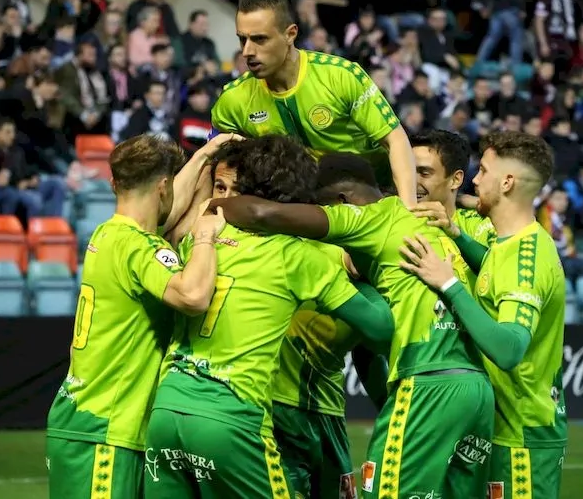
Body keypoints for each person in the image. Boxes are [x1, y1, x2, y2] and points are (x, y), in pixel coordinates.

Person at [208, 153, 495, 499]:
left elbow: (372, 345)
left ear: (341, 203)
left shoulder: (366, 231)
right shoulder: (429, 234)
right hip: (473, 389)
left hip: (382, 392)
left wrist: (209, 208)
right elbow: (372, 343)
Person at [143, 136, 395, 499]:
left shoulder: (200, 237)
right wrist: (374, 279)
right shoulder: (299, 255)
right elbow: (381, 328)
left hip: (167, 409)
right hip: (233, 415)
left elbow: (167, 226)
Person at [46, 133, 234, 499]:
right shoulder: (138, 247)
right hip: (106, 427)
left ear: (115, 183)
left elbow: (164, 216)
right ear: (163, 186)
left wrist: (204, 156)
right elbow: (193, 295)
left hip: (82, 419)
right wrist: (206, 237)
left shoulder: (108, 233)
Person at [401, 131, 568, 499]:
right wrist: (456, 234)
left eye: (484, 171)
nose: (474, 181)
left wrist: (449, 284)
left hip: (522, 435)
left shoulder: (527, 258)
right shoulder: (511, 243)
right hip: (502, 427)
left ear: (507, 183)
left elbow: (509, 349)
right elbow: (493, 270)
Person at [211, 0, 417, 207]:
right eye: (243, 39)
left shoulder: (340, 76)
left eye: (260, 39)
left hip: (374, 193)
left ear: (290, 34)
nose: (247, 51)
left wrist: (408, 210)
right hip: (305, 206)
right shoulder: (233, 100)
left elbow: (395, 139)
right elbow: (210, 165)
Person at [408, 129, 497, 253]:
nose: (411, 181)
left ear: (455, 180)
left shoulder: (482, 226)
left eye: (424, 173)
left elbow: (497, 262)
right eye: (409, 171)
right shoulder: (391, 215)